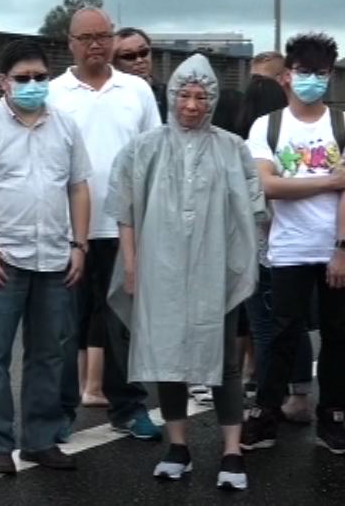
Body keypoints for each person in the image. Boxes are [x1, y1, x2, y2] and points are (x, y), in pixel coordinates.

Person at [106, 53, 265, 491]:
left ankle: (231, 451)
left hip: (217, 267)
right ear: (171, 95)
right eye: (184, 95)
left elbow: (250, 209)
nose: (192, 105)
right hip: (160, 268)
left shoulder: (232, 148)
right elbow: (125, 210)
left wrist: (241, 263)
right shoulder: (144, 148)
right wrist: (133, 265)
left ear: (211, 100)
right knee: (167, 360)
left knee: (225, 361)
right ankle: (178, 447)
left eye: (201, 96)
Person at [0, 39, 91, 474]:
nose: (32, 85)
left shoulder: (65, 127)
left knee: (49, 353)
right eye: (23, 78)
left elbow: (78, 186)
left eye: (40, 77)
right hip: (3, 260)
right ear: (3, 82)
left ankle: (40, 440)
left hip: (53, 258)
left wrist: (79, 245)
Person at [49, 8, 163, 443]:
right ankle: (59, 411)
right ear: (71, 43)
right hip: (68, 232)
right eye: (87, 37)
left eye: (104, 36)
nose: (96, 44)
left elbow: (156, 156)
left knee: (123, 326)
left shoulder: (135, 90)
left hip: (125, 231)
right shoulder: (54, 92)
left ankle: (128, 407)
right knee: (64, 329)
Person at [241, 32, 345, 455]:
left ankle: (333, 415)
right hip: (287, 248)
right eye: (303, 72)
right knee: (281, 335)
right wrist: (331, 180)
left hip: (333, 248)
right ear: (286, 76)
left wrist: (341, 247)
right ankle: (266, 414)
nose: (311, 80)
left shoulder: (340, 125)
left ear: (330, 76)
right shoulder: (268, 126)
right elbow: (266, 186)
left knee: (338, 337)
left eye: (320, 73)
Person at [234, 73, 315, 419]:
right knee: (291, 323)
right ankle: (298, 393)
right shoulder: (287, 138)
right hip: (294, 243)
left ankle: (269, 399)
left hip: (260, 247)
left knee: (267, 328)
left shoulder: (246, 144)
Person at [113, 27, 167, 124]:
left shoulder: (168, 95)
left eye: (144, 53)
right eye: (129, 56)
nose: (139, 60)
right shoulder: (110, 97)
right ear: (114, 62)